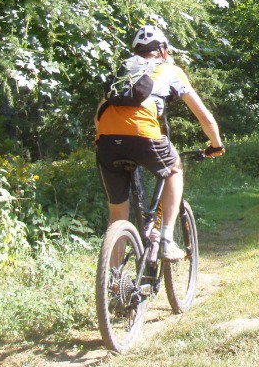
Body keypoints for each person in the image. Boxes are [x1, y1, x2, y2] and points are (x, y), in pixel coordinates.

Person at [95, 24, 224, 261]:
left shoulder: (124, 72)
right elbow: (204, 116)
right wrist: (216, 144)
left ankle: (113, 285)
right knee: (174, 168)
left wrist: (111, 139)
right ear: (163, 50)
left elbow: (97, 116)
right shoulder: (170, 70)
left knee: (118, 216)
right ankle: (166, 239)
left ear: (135, 51)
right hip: (144, 134)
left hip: (106, 139)